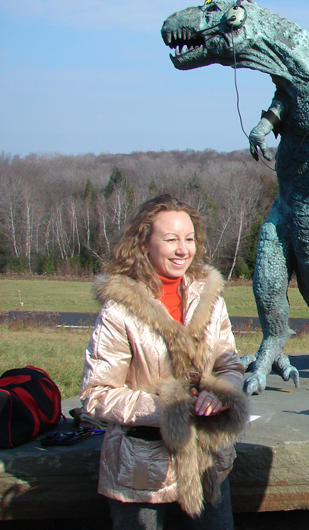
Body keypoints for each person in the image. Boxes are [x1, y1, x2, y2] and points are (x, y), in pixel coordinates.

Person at [81, 194, 249, 530]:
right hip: (143, 469)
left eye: (189, 239)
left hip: (209, 464)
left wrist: (220, 394)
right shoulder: (119, 309)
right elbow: (97, 393)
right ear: (144, 243)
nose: (182, 250)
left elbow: (229, 366)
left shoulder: (209, 297)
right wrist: (168, 409)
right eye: (171, 239)